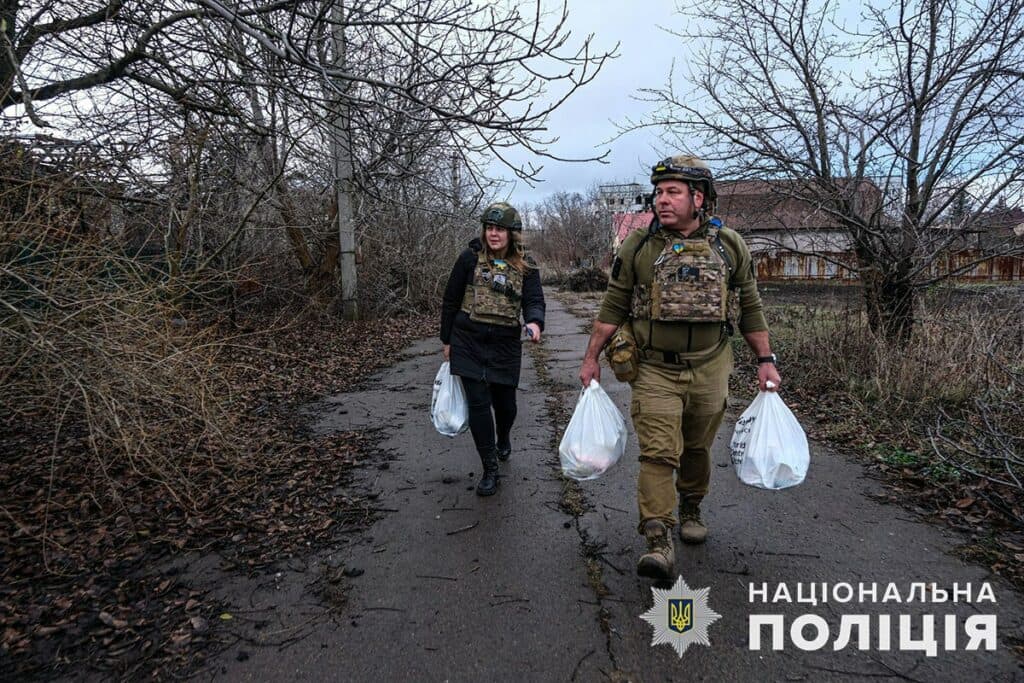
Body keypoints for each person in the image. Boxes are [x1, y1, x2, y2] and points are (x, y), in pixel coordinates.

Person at [578, 155, 781, 580]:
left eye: (673, 192)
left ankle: (691, 506)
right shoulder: (638, 246)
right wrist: (591, 357)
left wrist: (765, 361)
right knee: (657, 452)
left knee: (697, 447)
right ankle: (657, 538)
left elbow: (750, 307)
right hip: (654, 368)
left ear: (698, 198)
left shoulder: (730, 245)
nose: (662, 200)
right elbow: (613, 306)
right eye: (659, 192)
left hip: (711, 365)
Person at [440, 202, 545, 496]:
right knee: (478, 404)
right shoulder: (469, 259)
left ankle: (504, 437)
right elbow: (450, 299)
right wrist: (447, 341)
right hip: (468, 340)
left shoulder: (526, 264)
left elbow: (534, 300)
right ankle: (490, 468)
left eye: (500, 229)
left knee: (505, 405)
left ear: (512, 233)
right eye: (489, 228)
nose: (493, 233)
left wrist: (535, 322)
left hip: (504, 343)